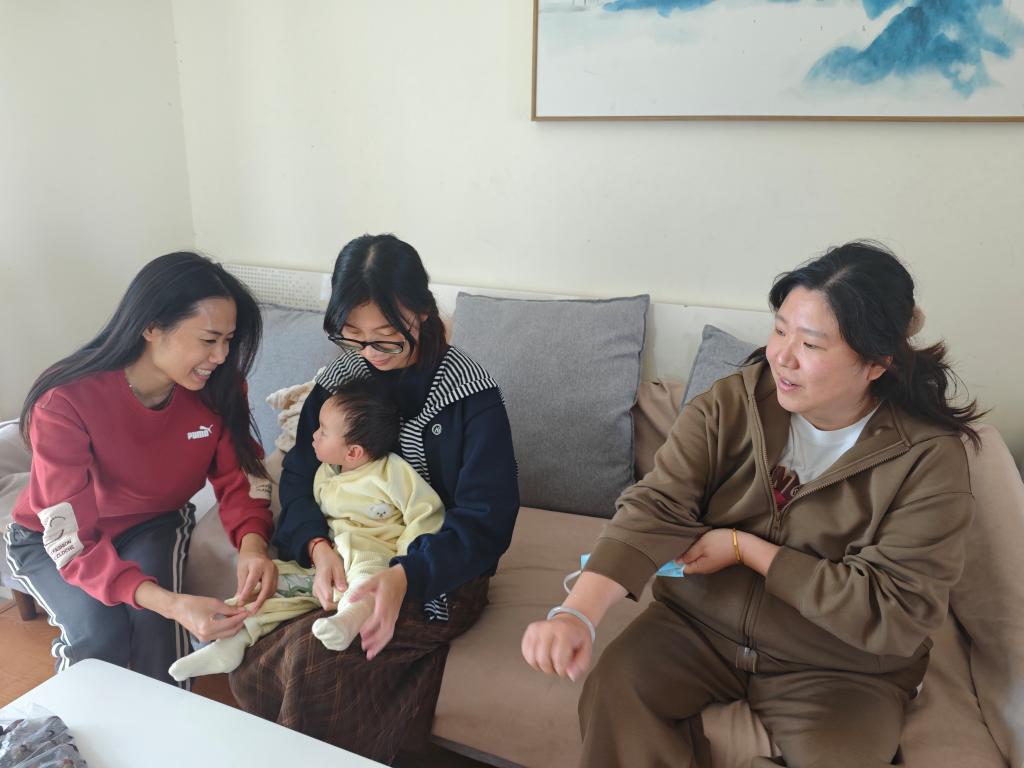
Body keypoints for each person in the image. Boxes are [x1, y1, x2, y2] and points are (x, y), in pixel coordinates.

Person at [522, 241, 982, 768]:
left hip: (841, 667)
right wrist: (575, 616)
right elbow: (655, 506)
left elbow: (894, 610)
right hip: (696, 627)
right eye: (780, 330)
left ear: (876, 363)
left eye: (811, 344)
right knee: (615, 691)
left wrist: (749, 550)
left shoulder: (928, 459)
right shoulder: (732, 402)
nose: (782, 356)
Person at [230, 233, 519, 764]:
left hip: (437, 570)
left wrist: (405, 575)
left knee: (315, 657)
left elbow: (486, 521)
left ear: (424, 313)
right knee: (255, 639)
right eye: (353, 338)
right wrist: (317, 547)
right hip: (343, 553)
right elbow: (299, 474)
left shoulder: (470, 396)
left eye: (387, 338)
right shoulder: (340, 381)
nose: (369, 354)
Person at [6, 252, 277, 688]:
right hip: (53, 540)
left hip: (153, 524)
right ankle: (72, 730)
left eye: (229, 340)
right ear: (151, 326)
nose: (221, 355)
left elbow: (242, 475)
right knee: (100, 636)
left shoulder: (221, 388)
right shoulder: (65, 400)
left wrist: (253, 545)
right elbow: (71, 538)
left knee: (159, 640)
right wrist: (172, 603)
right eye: (209, 340)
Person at [168, 380, 445, 681]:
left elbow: (426, 513)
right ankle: (232, 643)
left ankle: (350, 618)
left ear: (353, 452)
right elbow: (308, 514)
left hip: (374, 555)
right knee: (274, 586)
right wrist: (319, 550)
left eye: (323, 431)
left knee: (365, 568)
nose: (313, 434)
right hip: (327, 565)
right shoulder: (325, 474)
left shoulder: (390, 471)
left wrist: (404, 560)